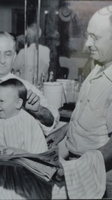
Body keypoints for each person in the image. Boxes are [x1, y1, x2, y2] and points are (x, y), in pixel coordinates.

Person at [47, 5, 112, 198]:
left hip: (100, 175)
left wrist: (75, 169)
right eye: (88, 36)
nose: (86, 45)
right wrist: (63, 132)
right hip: (78, 164)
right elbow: (92, 115)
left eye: (96, 38)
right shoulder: (98, 65)